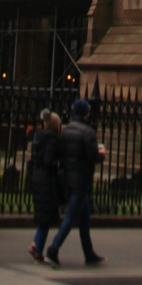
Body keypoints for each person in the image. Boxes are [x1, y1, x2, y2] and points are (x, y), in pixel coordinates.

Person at [46, 97, 104, 267]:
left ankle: (89, 253)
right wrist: (101, 155)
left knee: (84, 216)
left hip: (69, 177)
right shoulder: (88, 132)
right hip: (81, 179)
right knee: (71, 216)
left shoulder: (66, 130)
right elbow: (92, 156)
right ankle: (53, 249)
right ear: (86, 113)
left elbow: (61, 153)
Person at [29, 110, 62, 263]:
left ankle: (35, 244)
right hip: (46, 180)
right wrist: (60, 163)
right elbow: (49, 161)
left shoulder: (39, 137)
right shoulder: (51, 139)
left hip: (37, 176)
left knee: (43, 215)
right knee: (46, 219)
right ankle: (39, 252)